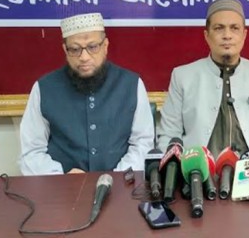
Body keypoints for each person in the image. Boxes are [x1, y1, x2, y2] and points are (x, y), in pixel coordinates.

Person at [20, 13, 154, 175]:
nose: (84, 57)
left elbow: (143, 143)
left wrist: (118, 177)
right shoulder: (44, 88)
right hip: (62, 186)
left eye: (92, 47)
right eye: (75, 49)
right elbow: (31, 151)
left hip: (122, 184)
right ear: (65, 50)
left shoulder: (131, 84)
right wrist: (60, 176)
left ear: (105, 46)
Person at [156, 0, 249, 156]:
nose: (227, 35)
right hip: (198, 169)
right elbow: (168, 136)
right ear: (206, 35)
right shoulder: (183, 76)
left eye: (234, 28)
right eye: (219, 28)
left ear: (244, 35)